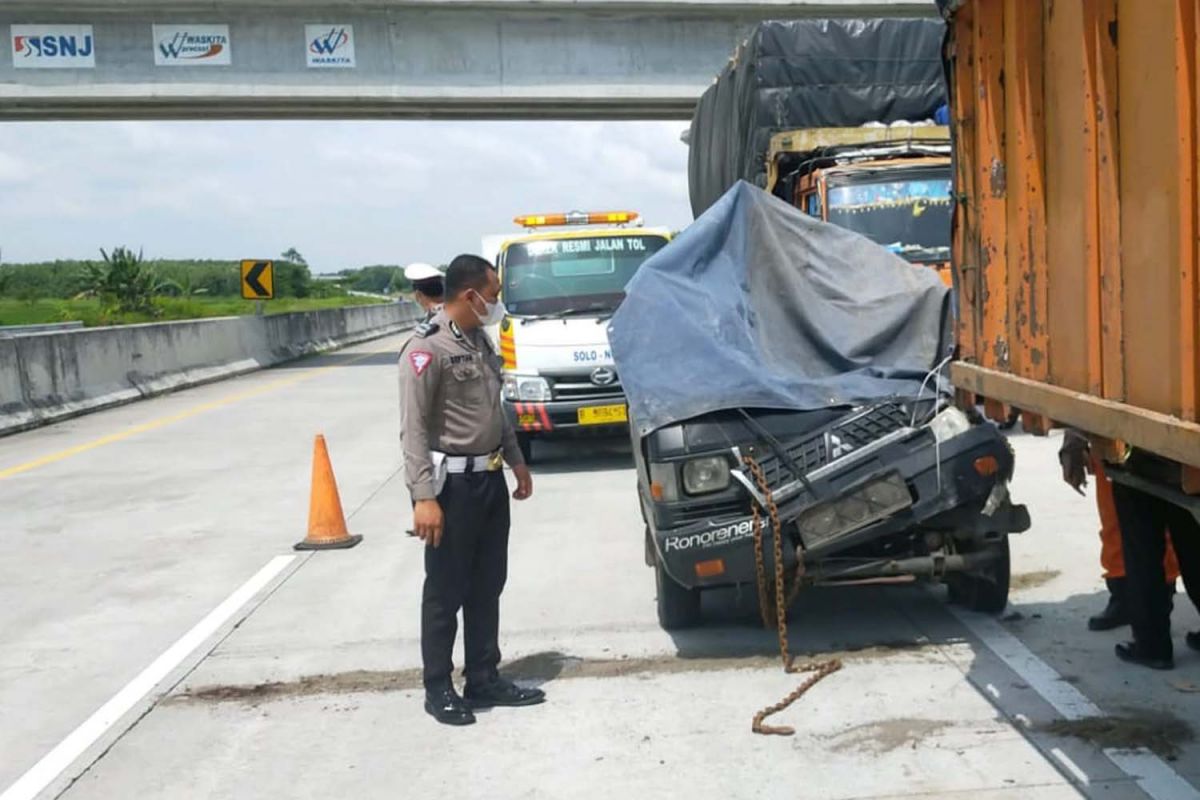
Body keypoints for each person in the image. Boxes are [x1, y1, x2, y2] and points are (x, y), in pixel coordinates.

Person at [398, 254, 542, 725]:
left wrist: (517, 462)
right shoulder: (427, 349)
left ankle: (483, 676)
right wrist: (423, 497)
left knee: (487, 584)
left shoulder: (479, 340)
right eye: (493, 296)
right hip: (450, 489)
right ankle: (438, 686)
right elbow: (414, 429)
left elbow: (494, 411)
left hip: (489, 480)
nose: (496, 304)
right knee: (445, 590)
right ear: (469, 296)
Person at [1060, 429, 1180, 630]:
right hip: (1116, 436)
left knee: (1160, 524)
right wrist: (1073, 441)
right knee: (1114, 519)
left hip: (1160, 436)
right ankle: (1125, 596)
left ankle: (1152, 612)